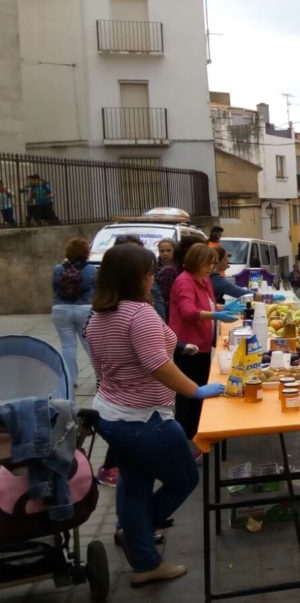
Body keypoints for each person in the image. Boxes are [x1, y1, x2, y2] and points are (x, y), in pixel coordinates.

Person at [84, 243, 225, 587]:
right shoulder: (139, 314)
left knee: (135, 481)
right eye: (150, 273)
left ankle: (143, 557)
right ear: (138, 277)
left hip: (110, 414)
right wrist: (195, 390)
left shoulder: (98, 316)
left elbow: (109, 366)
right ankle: (138, 535)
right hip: (144, 419)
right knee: (184, 479)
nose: (153, 279)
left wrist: (181, 347)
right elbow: (157, 365)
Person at [168, 243, 238, 443]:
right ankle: (185, 437)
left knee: (200, 387)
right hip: (188, 346)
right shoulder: (184, 282)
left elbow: (208, 304)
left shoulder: (203, 279)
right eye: (208, 264)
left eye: (213, 264)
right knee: (188, 393)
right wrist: (217, 315)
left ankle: (198, 432)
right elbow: (188, 311)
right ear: (196, 262)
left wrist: (227, 307)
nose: (211, 268)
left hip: (203, 343)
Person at [51, 237, 97, 397]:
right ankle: (101, 376)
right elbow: (96, 289)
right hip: (85, 308)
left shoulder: (58, 269)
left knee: (68, 346)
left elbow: (55, 288)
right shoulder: (91, 269)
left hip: (61, 309)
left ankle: (70, 380)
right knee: (89, 344)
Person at [155, 238, 180, 319]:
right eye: (162, 251)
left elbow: (163, 296)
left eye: (168, 250)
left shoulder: (169, 269)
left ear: (174, 250)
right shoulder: (157, 265)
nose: (165, 254)